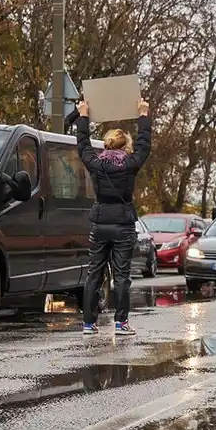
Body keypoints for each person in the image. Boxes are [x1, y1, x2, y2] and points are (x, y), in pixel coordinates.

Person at [74, 98, 152, 335]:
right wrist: (143, 115)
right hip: (123, 226)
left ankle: (88, 323)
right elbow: (144, 144)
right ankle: (121, 323)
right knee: (121, 276)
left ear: (107, 146)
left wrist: (83, 116)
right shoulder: (130, 164)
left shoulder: (96, 164)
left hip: (99, 225)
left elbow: (83, 144)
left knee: (93, 274)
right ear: (124, 146)